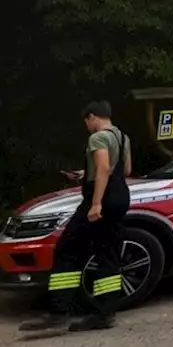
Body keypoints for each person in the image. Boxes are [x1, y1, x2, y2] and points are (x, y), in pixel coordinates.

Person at [19, 101, 133, 333]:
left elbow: (103, 168)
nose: (87, 126)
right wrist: (85, 173)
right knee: (107, 254)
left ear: (91, 117)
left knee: (66, 249)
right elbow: (125, 169)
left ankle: (59, 311)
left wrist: (96, 203)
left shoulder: (98, 138)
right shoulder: (122, 137)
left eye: (86, 122)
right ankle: (104, 313)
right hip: (121, 197)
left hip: (101, 199)